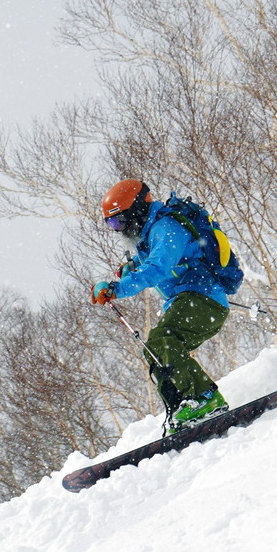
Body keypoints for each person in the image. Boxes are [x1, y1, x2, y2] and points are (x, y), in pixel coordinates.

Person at [90, 179, 231, 432]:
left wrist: (117, 288)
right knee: (154, 349)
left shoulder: (167, 228)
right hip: (186, 301)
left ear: (137, 211)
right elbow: (149, 264)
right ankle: (181, 409)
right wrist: (127, 271)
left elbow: (158, 267)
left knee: (165, 339)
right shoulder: (150, 236)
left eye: (120, 221)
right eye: (112, 224)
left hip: (203, 299)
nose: (118, 230)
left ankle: (204, 399)